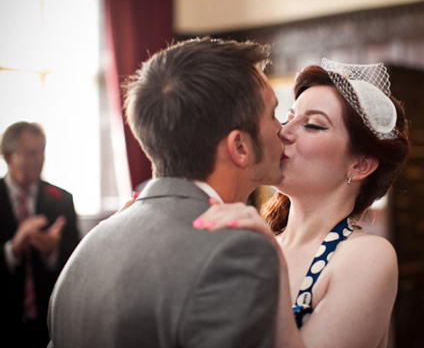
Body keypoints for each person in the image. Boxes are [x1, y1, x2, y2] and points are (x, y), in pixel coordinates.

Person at [47, 37, 284, 348]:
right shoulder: (234, 250)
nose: (282, 128)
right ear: (239, 146)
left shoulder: (90, 246)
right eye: (273, 114)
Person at [195, 58, 410, 347]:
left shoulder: (368, 256)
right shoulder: (259, 241)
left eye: (312, 125)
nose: (282, 131)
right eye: (288, 116)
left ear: (360, 165)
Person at [0, 121, 80, 348]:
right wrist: (13, 248)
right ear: (8, 155)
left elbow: (76, 260)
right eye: (31, 153)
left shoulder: (62, 199)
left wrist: (52, 251)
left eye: (42, 151)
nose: (39, 159)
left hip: (49, 323)